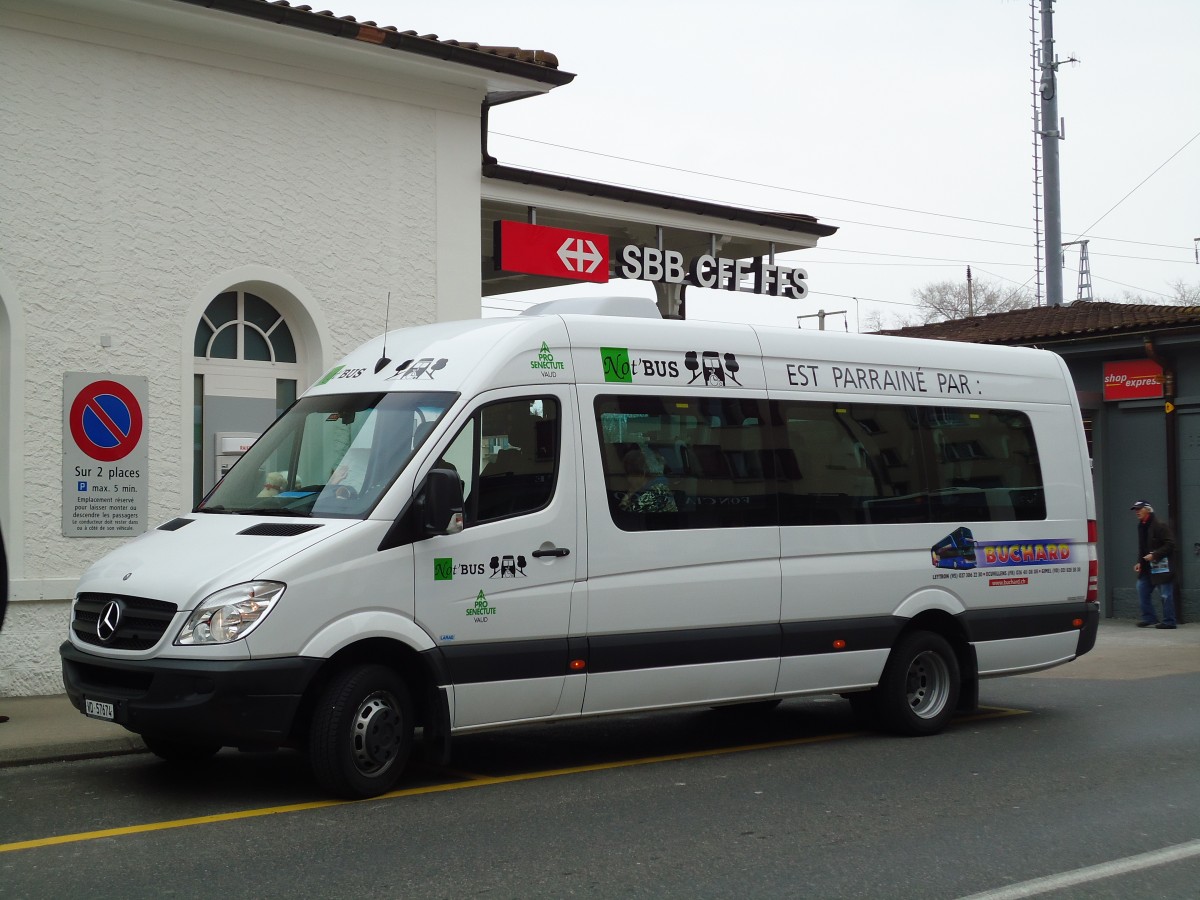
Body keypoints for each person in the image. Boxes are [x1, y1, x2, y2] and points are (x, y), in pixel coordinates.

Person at [1131, 500, 1177, 629]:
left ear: (1148, 510)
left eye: (1139, 509)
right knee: (1141, 589)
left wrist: (1155, 555)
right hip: (1147, 567)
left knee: (1166, 595)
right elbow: (1142, 547)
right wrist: (1140, 562)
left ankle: (1169, 621)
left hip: (1163, 567)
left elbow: (1170, 544)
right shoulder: (1141, 526)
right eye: (1135, 509)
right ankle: (1149, 618)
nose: (1137, 512)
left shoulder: (1160, 526)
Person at [618, 448, 677, 513]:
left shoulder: (652, 495)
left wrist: (627, 497)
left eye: (629, 474)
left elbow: (624, 516)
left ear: (641, 474)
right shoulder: (658, 487)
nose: (627, 479)